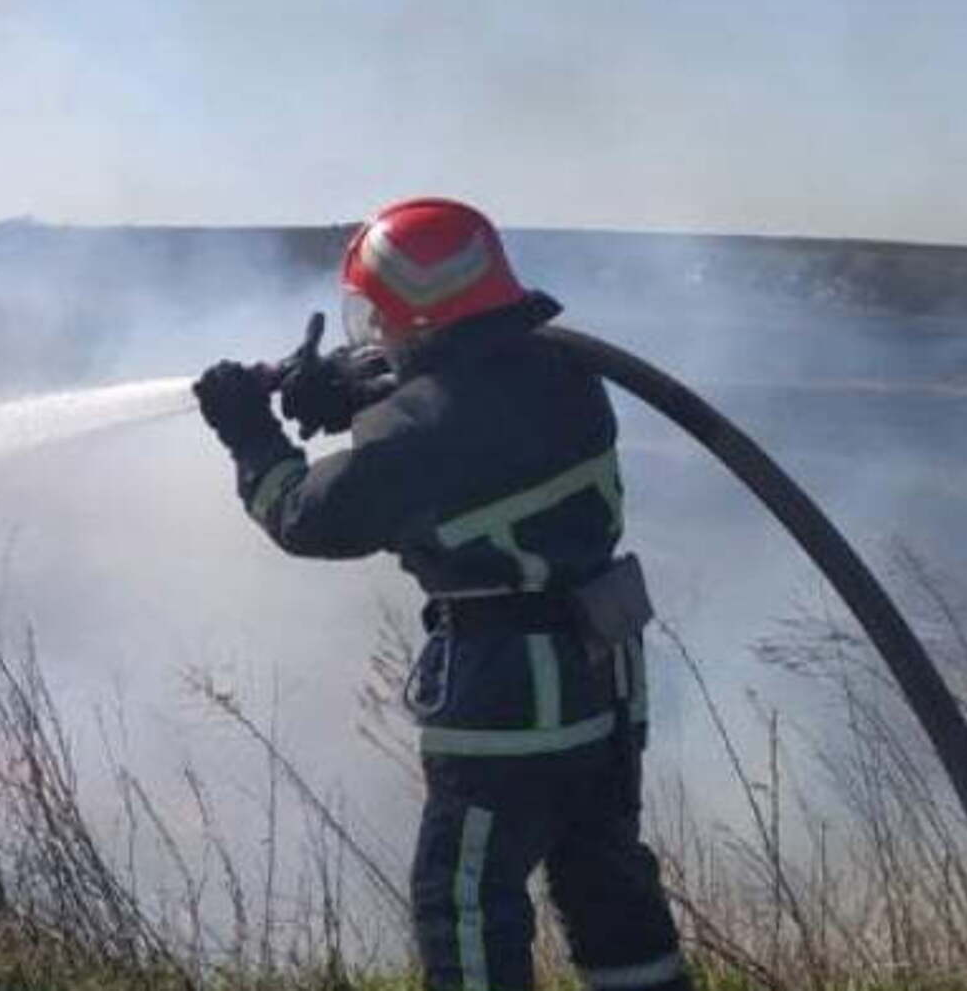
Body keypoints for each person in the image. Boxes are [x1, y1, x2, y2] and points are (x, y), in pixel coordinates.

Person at [193, 198, 690, 991]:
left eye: (380, 318)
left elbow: (306, 518)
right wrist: (357, 387)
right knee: (606, 885)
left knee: (463, 905)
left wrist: (251, 434)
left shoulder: (421, 430)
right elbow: (473, 394)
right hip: (602, 681)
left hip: (508, 696)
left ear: (412, 313)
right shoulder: (561, 372)